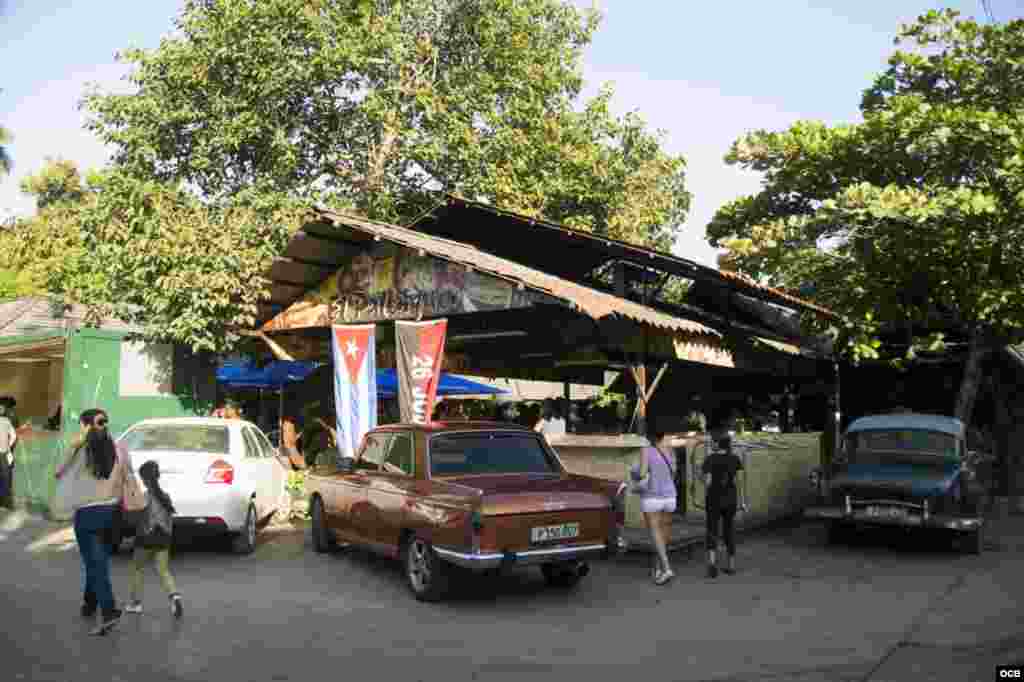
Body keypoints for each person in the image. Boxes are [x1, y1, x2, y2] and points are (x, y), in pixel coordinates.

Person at [55, 408, 132, 632]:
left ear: (86, 426)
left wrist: (73, 445)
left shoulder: (80, 450)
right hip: (113, 514)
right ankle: (90, 603)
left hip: (88, 515)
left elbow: (59, 473)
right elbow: (128, 477)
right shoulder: (120, 449)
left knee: (94, 563)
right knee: (98, 562)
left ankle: (108, 610)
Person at [125, 460, 183, 619]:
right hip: (164, 537)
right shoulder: (166, 497)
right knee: (163, 570)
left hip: (146, 538)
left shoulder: (144, 497)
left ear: (144, 479)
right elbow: (169, 521)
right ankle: (174, 596)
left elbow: (138, 520)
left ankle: (136, 603)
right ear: (157, 476)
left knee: (137, 568)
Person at [630, 426, 678, 585]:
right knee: (662, 535)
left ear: (650, 435)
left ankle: (666, 568)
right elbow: (675, 471)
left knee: (655, 534)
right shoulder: (670, 449)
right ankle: (657, 568)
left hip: (652, 497)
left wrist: (634, 472)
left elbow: (643, 473)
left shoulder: (646, 450)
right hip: (670, 497)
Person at [702, 432, 748, 578]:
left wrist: (699, 476)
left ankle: (712, 564)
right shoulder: (735, 459)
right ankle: (731, 565)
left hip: (713, 499)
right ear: (729, 445)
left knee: (712, 530)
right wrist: (742, 501)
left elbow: (707, 482)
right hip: (730, 500)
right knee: (729, 530)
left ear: (717, 444)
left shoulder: (709, 459)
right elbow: (739, 482)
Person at [0, 404, 17, 508]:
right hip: (4, 453)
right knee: (6, 478)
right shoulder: (7, 421)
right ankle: (6, 503)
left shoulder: (6, 421)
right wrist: (9, 446)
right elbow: (14, 436)